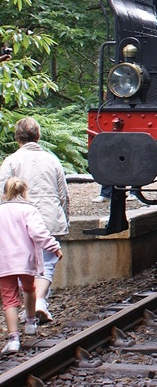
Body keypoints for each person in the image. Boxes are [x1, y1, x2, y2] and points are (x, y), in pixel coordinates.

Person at [0, 117, 69, 325]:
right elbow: (63, 193)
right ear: (38, 136)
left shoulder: (11, 160)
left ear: (17, 137)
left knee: (23, 266)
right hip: (49, 215)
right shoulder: (52, 160)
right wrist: (64, 218)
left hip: (18, 221)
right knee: (47, 263)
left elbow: (2, 190)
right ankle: (39, 302)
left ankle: (31, 307)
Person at [0, 177, 62, 354]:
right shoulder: (29, 210)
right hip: (25, 260)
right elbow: (38, 233)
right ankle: (30, 322)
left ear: (5, 193)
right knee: (29, 288)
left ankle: (13, 339)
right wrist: (54, 247)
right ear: (25, 192)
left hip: (3, 262)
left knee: (9, 299)